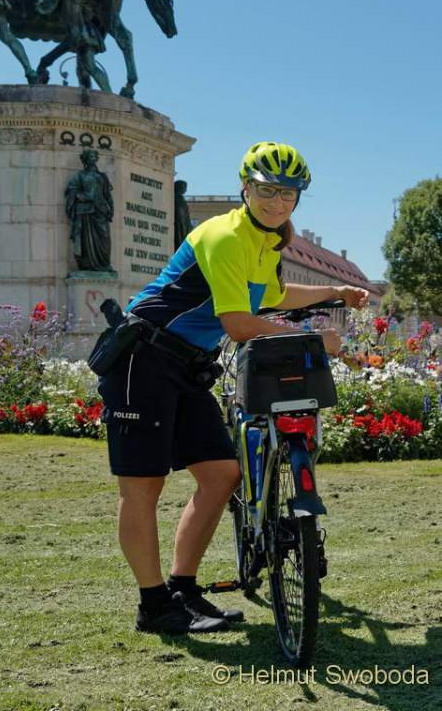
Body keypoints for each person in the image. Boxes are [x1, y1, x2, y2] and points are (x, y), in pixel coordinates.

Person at [98, 141, 369, 635]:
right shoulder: (225, 236)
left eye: (287, 193)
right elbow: (240, 324)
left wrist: (336, 290)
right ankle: (153, 606)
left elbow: (274, 296)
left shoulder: (265, 243)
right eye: (267, 190)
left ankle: (182, 589)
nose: (277, 201)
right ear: (246, 188)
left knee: (222, 474)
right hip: (142, 359)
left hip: (187, 365)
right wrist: (312, 338)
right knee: (143, 485)